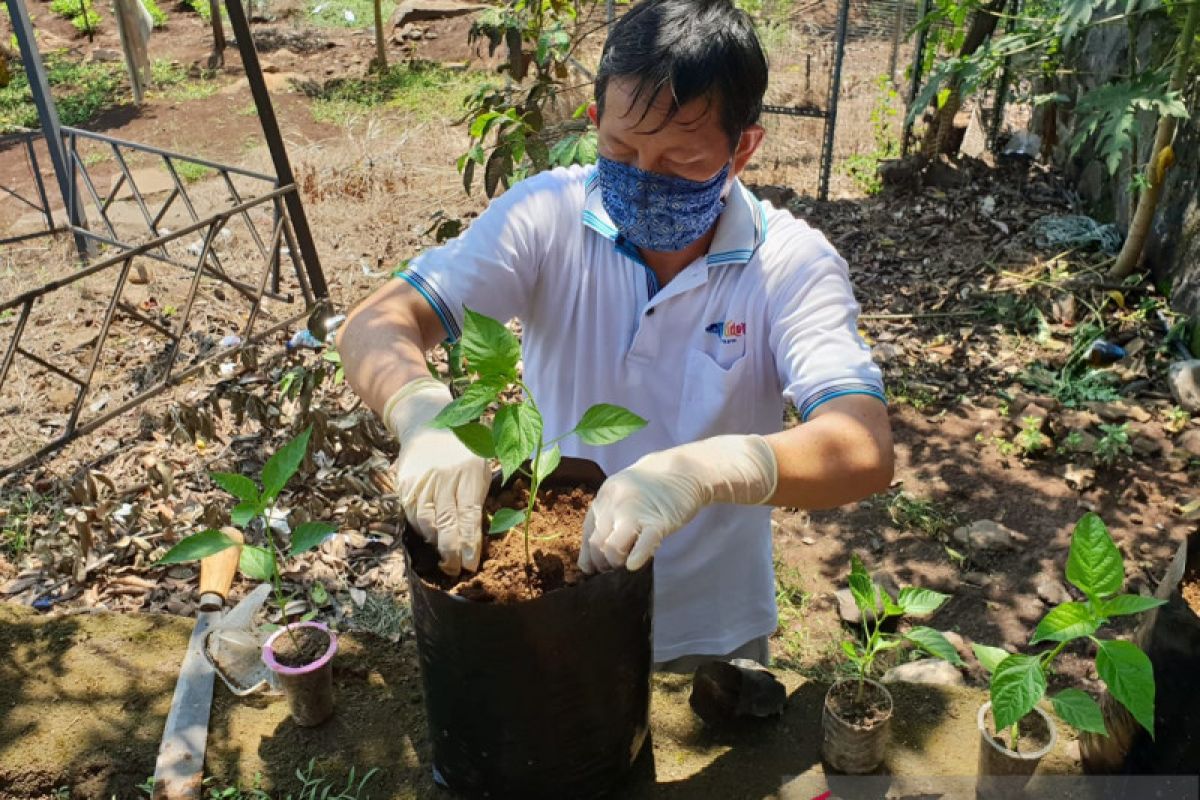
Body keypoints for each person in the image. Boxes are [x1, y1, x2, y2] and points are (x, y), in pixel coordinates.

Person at [338, 0, 893, 672]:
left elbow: (863, 444)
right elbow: (377, 323)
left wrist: (704, 472)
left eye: (681, 161)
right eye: (622, 151)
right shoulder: (546, 219)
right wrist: (421, 413)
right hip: (554, 604)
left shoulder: (790, 266)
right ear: (596, 121)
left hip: (710, 626)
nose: (644, 179)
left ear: (742, 148)